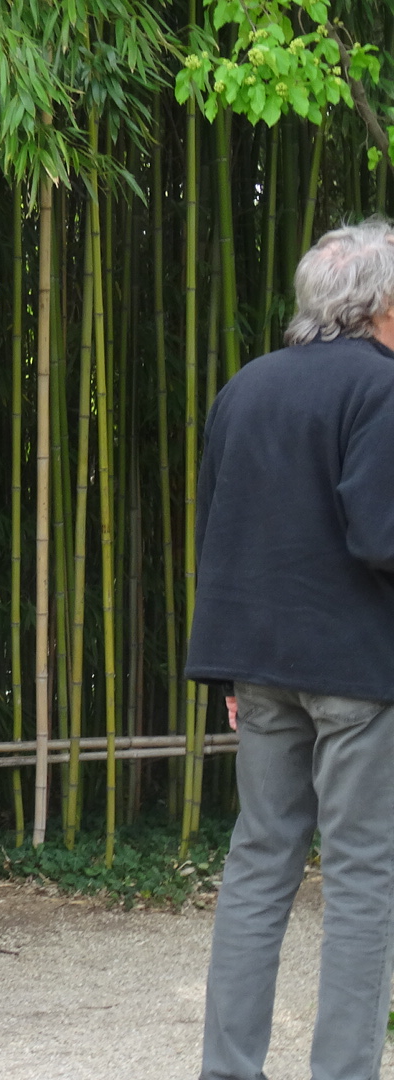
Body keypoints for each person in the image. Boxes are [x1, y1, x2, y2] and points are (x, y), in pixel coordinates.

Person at [189, 220, 394, 1080]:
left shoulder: (245, 386)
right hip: (358, 668)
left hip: (258, 665)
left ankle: (228, 1070)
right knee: (362, 877)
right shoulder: (382, 387)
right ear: (380, 302)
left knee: (259, 863)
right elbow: (381, 537)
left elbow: (216, 531)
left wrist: (228, 675)